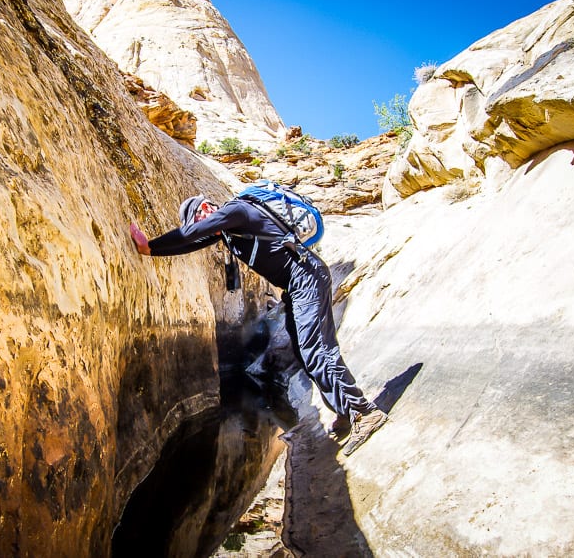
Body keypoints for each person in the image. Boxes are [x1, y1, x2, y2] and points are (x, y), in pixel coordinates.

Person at [129, 193, 387, 456]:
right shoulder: (229, 231)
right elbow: (193, 241)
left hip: (308, 279)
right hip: (297, 286)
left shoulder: (237, 210)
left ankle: (363, 412)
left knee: (317, 350)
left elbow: (194, 233)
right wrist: (151, 249)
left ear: (205, 209)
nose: (202, 226)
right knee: (304, 351)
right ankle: (344, 411)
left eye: (197, 219)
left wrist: (151, 244)